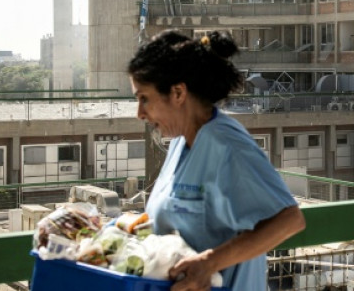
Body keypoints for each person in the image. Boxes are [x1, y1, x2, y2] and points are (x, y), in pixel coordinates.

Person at [128, 29, 305, 290]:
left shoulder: (228, 146)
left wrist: (209, 262)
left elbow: (290, 219)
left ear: (178, 93)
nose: (139, 113)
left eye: (144, 98)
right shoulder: (180, 143)